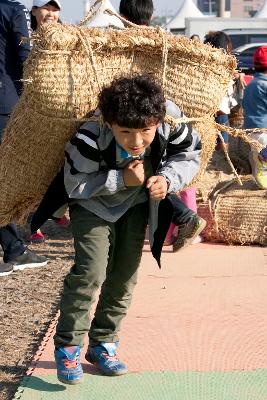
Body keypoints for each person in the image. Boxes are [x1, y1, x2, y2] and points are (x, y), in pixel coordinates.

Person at [53, 74, 202, 384]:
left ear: (158, 120)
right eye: (126, 133)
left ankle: (103, 345)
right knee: (91, 272)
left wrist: (168, 179)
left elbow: (188, 155)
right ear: (109, 123)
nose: (136, 142)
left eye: (145, 132)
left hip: (134, 207)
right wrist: (121, 180)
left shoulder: (170, 125)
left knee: (124, 276)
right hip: (92, 205)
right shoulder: (89, 137)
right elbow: (74, 184)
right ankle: (68, 346)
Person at [0, 0, 48, 276]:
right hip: (5, 103)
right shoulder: (12, 10)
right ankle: (15, 248)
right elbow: (24, 58)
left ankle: (13, 245)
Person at [28, 0, 69, 244]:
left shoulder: (66, 35)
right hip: (33, 112)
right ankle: (35, 222)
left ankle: (55, 210)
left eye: (55, 10)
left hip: (59, 110)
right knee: (35, 170)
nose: (50, 14)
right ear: (34, 10)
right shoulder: (26, 36)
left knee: (61, 164)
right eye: (46, 9)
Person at [204, 31, 238, 152]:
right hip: (220, 110)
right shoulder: (221, 64)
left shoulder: (206, 62)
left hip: (209, 110)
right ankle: (221, 161)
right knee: (222, 141)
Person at [243, 45, 267, 189]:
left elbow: (244, 105)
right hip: (264, 130)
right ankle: (261, 160)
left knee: (257, 154)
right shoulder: (265, 85)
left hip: (250, 129)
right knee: (263, 157)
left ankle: (258, 162)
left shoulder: (250, 84)